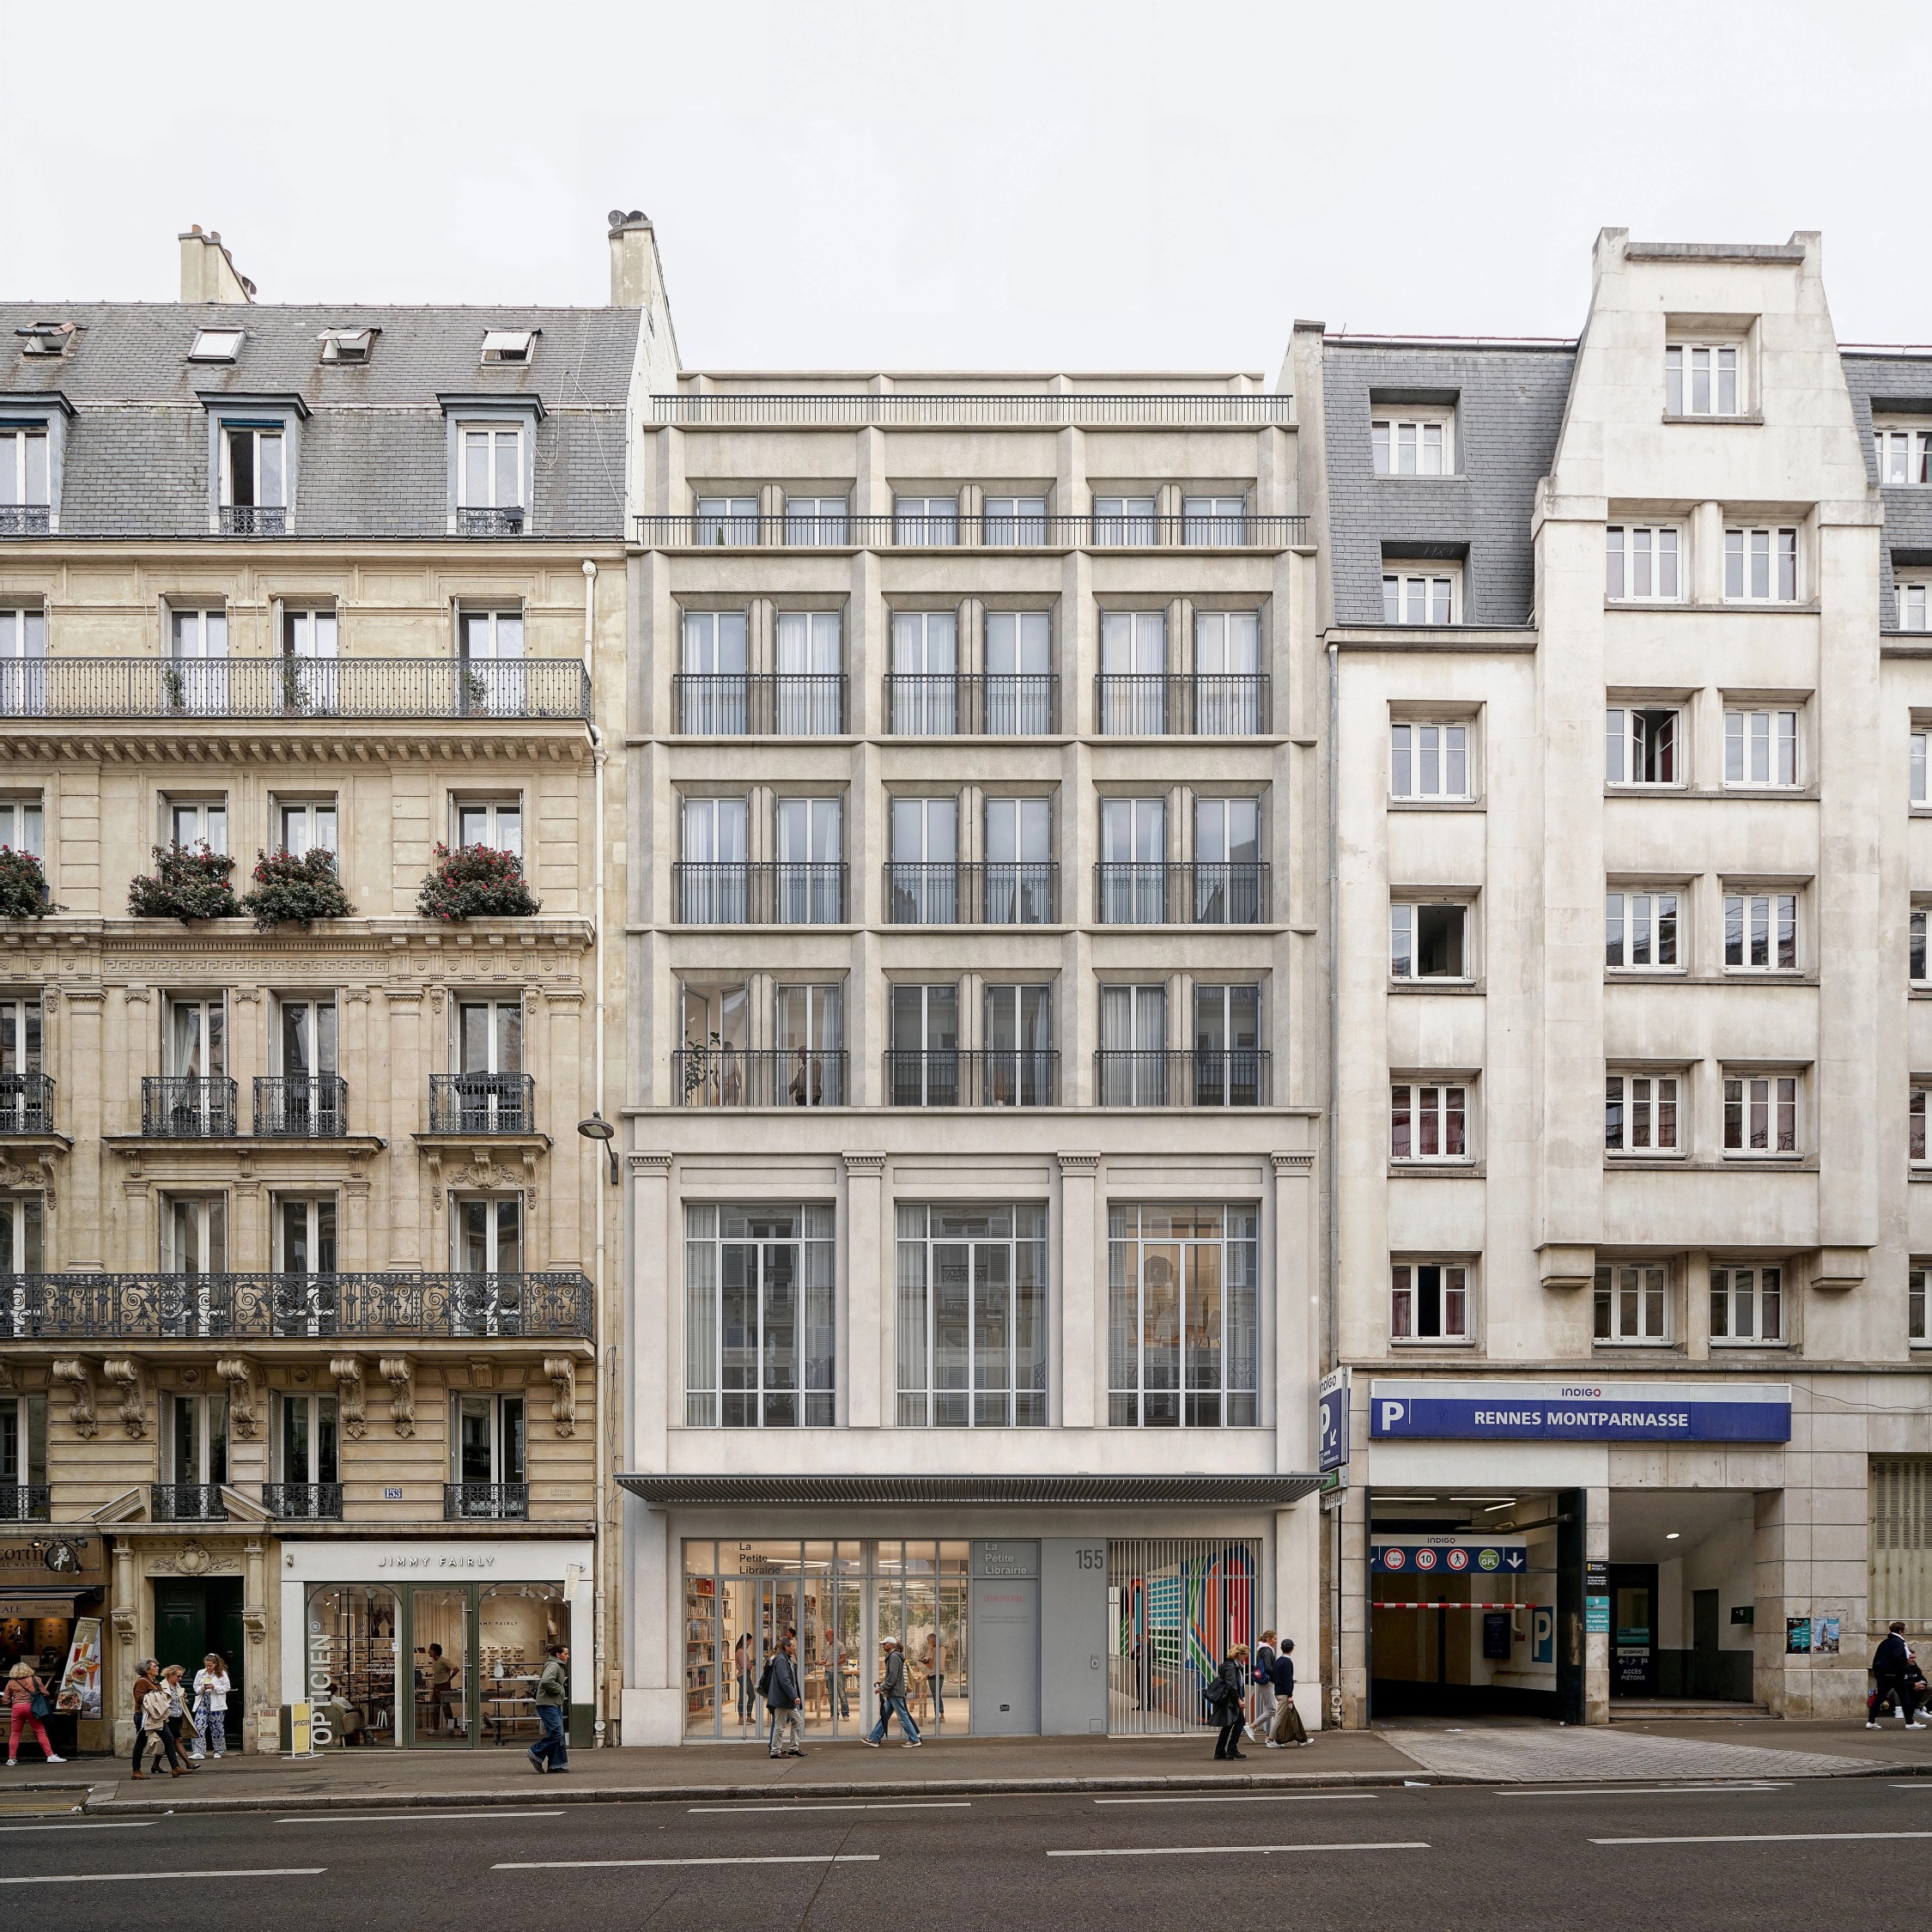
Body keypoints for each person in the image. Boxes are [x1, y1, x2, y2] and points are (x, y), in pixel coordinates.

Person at [861, 1637, 920, 1747]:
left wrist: (882, 1687)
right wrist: (884, 1682)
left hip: (895, 1691)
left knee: (903, 1717)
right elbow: (893, 1675)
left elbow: (893, 1676)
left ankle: (914, 1739)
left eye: (885, 1644)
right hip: (893, 1692)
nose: (883, 1645)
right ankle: (874, 1738)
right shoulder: (894, 1656)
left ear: (892, 1644)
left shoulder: (893, 1656)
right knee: (885, 1716)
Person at [131, 1663, 185, 1779]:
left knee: (169, 1739)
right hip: (144, 1716)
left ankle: (175, 1768)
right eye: (154, 1666)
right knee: (141, 1742)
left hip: (156, 1716)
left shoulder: (154, 1681)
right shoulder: (142, 1681)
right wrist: (155, 1696)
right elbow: (139, 1698)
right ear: (146, 1669)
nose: (157, 1668)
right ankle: (136, 1771)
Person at [5, 1660, 63, 1767]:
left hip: (17, 1708)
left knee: (15, 1733)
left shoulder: (11, 1682)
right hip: (32, 1707)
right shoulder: (35, 1679)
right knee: (40, 1731)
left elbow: (5, 1700)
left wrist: (13, 1705)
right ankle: (50, 1755)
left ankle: (11, 1759)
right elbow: (45, 1693)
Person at [1871, 1622, 1928, 1728]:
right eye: (1904, 1631)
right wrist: (1904, 1668)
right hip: (1895, 1674)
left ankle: (1871, 1721)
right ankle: (1910, 1722)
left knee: (1880, 1697)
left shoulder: (1885, 1642)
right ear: (1901, 1631)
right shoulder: (1898, 1642)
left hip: (1883, 1673)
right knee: (1904, 1696)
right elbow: (1898, 1657)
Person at [528, 1643, 569, 1773]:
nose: (568, 1656)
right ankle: (535, 1752)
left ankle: (555, 1765)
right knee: (557, 1732)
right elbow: (546, 1681)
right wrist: (560, 1689)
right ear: (558, 1655)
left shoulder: (558, 1666)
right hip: (547, 1704)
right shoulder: (554, 1665)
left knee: (558, 1735)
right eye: (566, 1654)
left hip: (553, 1704)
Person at [767, 1634, 805, 1758]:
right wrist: (794, 1696)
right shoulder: (781, 1660)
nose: (795, 1648)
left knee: (797, 1721)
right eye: (793, 1646)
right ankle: (775, 1751)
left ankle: (793, 1748)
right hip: (781, 1699)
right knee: (779, 1725)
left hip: (786, 1699)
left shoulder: (786, 1658)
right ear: (787, 1647)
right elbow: (785, 1680)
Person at [1267, 1637, 1309, 1747]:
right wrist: (1290, 1695)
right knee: (1280, 1716)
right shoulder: (1287, 1662)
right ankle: (1271, 1739)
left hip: (1278, 1691)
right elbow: (1287, 1679)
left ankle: (1301, 1738)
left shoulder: (1278, 1661)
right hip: (1284, 1693)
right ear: (1292, 1649)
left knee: (1291, 1715)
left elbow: (1274, 1677)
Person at [1210, 1643, 1249, 1760]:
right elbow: (1231, 1685)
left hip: (1229, 1699)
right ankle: (1232, 1750)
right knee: (1240, 1722)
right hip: (1231, 1700)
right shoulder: (1231, 1666)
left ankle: (1220, 1751)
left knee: (1228, 1724)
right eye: (1245, 1655)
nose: (1245, 1658)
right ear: (1238, 1654)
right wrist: (1239, 1700)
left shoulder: (1231, 1665)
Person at [191, 1653, 231, 1761]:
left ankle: (218, 1750)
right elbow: (195, 1687)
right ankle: (199, 1751)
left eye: (210, 1665)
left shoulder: (221, 1674)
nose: (208, 1667)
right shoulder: (200, 1673)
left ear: (215, 1664)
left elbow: (227, 1687)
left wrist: (215, 1687)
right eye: (207, 1665)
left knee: (217, 1727)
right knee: (198, 1725)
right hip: (203, 1701)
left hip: (216, 1702)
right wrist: (202, 1688)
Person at [161, 1663, 199, 1769]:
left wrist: (183, 1697)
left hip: (178, 1716)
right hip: (169, 1717)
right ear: (169, 1674)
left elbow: (177, 1700)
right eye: (178, 1676)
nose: (180, 1678)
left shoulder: (177, 1686)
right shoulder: (162, 1686)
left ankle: (155, 1765)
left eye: (181, 1676)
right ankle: (188, 1763)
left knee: (167, 1741)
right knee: (178, 1739)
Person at [1250, 1630, 1279, 1742]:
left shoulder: (1263, 1650)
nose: (1276, 1641)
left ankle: (1268, 1735)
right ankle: (1251, 1727)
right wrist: (1277, 1675)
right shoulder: (1267, 1651)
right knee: (1272, 1710)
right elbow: (1268, 1668)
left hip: (1265, 1682)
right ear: (1268, 1639)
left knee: (1269, 1709)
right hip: (1267, 1682)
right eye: (1275, 1639)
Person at [426, 1643, 456, 1735]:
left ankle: (451, 1729)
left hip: (444, 1686)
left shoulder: (443, 1660)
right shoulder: (434, 1661)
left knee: (446, 1709)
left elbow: (456, 1669)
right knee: (435, 1708)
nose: (428, 1652)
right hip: (436, 1686)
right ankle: (436, 1729)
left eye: (430, 1650)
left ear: (434, 1651)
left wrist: (449, 1679)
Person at [925, 1631, 947, 1722]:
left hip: (933, 1674)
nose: (927, 1641)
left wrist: (924, 1662)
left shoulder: (931, 1650)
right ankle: (942, 1716)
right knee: (938, 1695)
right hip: (941, 1674)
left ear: (933, 1640)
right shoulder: (943, 1649)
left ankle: (936, 1717)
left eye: (928, 1639)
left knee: (935, 1696)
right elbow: (944, 1662)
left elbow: (930, 1665)